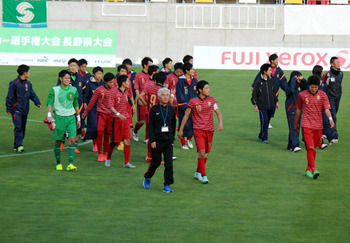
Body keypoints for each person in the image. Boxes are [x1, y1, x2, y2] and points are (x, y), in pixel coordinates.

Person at [178, 80, 223, 184]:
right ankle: (204, 176)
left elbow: (218, 112)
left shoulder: (212, 100)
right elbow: (186, 115)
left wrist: (220, 122)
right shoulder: (193, 102)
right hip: (198, 130)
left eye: (208, 88)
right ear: (200, 90)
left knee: (205, 154)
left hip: (209, 130)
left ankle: (198, 172)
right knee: (201, 153)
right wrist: (181, 129)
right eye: (206, 88)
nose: (208, 90)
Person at [295, 75, 334, 179]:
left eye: (316, 87)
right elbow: (298, 109)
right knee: (310, 148)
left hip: (318, 126)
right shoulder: (302, 95)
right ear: (308, 86)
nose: (314, 89)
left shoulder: (323, 95)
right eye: (312, 87)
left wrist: (330, 119)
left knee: (314, 148)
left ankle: (308, 169)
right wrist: (296, 123)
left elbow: (326, 109)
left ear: (318, 86)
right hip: (306, 124)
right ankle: (314, 169)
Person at [143, 88, 176, 193]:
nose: (166, 97)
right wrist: (152, 140)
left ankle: (167, 185)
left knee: (169, 164)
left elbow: (173, 125)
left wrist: (172, 139)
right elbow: (150, 126)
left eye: (167, 95)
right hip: (156, 141)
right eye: (163, 95)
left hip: (168, 141)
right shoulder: (154, 109)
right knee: (155, 163)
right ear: (159, 97)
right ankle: (148, 176)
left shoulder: (171, 109)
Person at [46, 70, 81, 171]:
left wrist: (78, 118)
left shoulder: (73, 89)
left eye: (69, 78)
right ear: (60, 79)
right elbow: (49, 103)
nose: (68, 80)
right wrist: (49, 115)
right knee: (58, 141)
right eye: (66, 78)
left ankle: (70, 164)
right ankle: (58, 163)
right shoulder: (54, 90)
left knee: (72, 139)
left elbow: (76, 104)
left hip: (71, 118)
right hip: (59, 118)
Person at [6, 64, 41, 153]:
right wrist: (8, 108)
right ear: (25, 73)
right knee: (18, 127)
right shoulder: (14, 83)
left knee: (22, 127)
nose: (29, 73)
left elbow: (32, 94)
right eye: (28, 72)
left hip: (25, 110)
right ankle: (19, 145)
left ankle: (16, 144)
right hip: (16, 109)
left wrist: (37, 102)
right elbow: (9, 96)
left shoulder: (28, 84)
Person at [83, 73, 114, 162]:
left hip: (110, 116)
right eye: (111, 82)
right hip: (100, 114)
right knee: (100, 133)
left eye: (113, 82)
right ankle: (100, 153)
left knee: (107, 135)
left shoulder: (114, 90)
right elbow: (92, 102)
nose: (112, 84)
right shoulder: (99, 90)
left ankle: (104, 153)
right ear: (106, 82)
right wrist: (86, 112)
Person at [106, 75, 135, 168]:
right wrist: (118, 114)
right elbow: (110, 106)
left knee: (127, 140)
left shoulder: (126, 92)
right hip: (116, 120)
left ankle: (126, 162)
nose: (129, 83)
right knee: (114, 142)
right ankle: (108, 159)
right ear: (123, 83)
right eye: (128, 81)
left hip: (125, 120)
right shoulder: (113, 92)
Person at [139, 72, 168, 162]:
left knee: (151, 135)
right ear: (164, 81)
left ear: (155, 80)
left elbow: (140, 96)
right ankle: (158, 157)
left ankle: (149, 156)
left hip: (149, 113)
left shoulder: (149, 87)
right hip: (160, 114)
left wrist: (147, 105)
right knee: (160, 135)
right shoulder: (163, 90)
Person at [252, 54, 287, 129]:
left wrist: (286, 89)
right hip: (264, 94)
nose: (278, 61)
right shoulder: (266, 69)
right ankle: (264, 123)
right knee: (264, 109)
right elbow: (258, 79)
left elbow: (283, 82)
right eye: (276, 59)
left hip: (274, 94)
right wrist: (254, 87)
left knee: (272, 110)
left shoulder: (279, 71)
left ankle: (267, 122)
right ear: (272, 61)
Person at [56, 58, 82, 153]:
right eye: (71, 65)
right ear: (68, 66)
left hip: (77, 105)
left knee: (76, 125)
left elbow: (82, 91)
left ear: (77, 67)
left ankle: (74, 146)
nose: (73, 67)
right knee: (63, 125)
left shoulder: (80, 77)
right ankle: (61, 142)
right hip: (65, 105)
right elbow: (58, 89)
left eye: (75, 65)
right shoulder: (64, 76)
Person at [251, 63, 279, 144]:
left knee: (266, 122)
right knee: (265, 121)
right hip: (262, 106)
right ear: (264, 71)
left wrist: (276, 102)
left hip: (272, 105)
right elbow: (254, 95)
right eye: (269, 70)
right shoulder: (258, 82)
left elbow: (274, 92)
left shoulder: (271, 81)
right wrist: (255, 105)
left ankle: (260, 135)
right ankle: (264, 138)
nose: (271, 72)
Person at [312, 65, 336, 148]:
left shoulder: (315, 78)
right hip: (318, 104)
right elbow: (320, 90)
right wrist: (327, 84)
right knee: (322, 122)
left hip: (318, 104)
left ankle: (329, 138)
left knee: (324, 121)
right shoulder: (317, 79)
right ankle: (328, 139)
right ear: (320, 71)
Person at [176, 63, 198, 149]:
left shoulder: (195, 81)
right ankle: (183, 143)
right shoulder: (180, 81)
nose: (193, 71)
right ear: (187, 71)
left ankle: (189, 139)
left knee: (192, 123)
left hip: (193, 107)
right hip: (184, 107)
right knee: (183, 123)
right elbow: (179, 94)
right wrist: (184, 106)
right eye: (191, 69)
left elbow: (197, 94)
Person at [82, 66, 105, 152]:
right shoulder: (89, 84)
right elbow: (85, 95)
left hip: (102, 109)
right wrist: (84, 102)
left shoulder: (104, 84)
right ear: (94, 74)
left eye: (101, 73)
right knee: (94, 126)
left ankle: (100, 143)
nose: (99, 75)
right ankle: (95, 144)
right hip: (92, 109)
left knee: (102, 128)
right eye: (98, 73)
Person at [285, 71, 307, 152]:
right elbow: (291, 91)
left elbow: (308, 89)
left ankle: (290, 145)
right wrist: (293, 80)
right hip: (291, 110)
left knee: (296, 128)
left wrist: (304, 80)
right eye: (298, 77)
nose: (300, 78)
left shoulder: (301, 87)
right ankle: (295, 146)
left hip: (299, 110)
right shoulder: (287, 86)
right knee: (294, 128)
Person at [322, 56, 343, 141]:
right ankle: (334, 135)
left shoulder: (341, 73)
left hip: (338, 97)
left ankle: (324, 131)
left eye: (339, 62)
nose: (339, 64)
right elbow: (323, 87)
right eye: (337, 62)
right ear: (332, 64)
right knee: (333, 115)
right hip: (330, 98)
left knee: (332, 115)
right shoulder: (327, 75)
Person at [133, 57, 153, 142]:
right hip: (142, 99)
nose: (151, 67)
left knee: (150, 120)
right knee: (142, 121)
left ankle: (147, 138)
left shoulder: (152, 75)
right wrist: (139, 98)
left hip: (151, 100)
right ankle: (135, 131)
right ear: (145, 65)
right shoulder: (138, 75)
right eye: (149, 65)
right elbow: (136, 88)